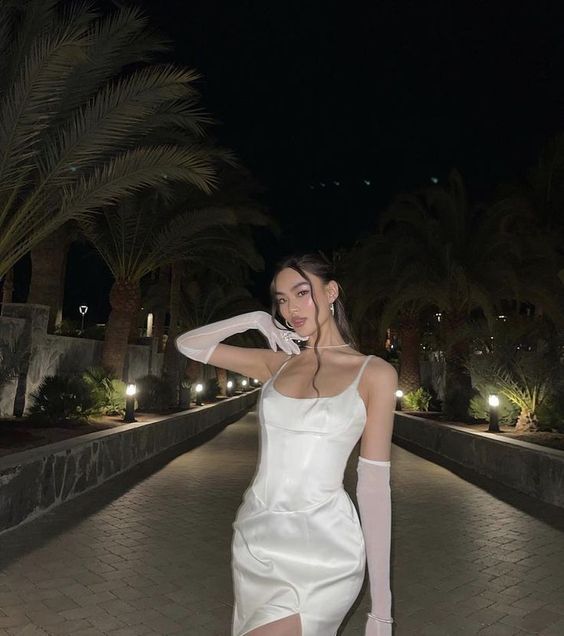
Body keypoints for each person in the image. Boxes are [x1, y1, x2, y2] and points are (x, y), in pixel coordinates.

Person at [176, 252, 397, 636]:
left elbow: (374, 487)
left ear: (331, 292)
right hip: (257, 540)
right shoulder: (277, 364)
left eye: (301, 293)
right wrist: (256, 319)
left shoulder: (374, 373)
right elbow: (188, 344)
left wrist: (382, 609)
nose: (291, 308)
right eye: (281, 300)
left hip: (326, 551)